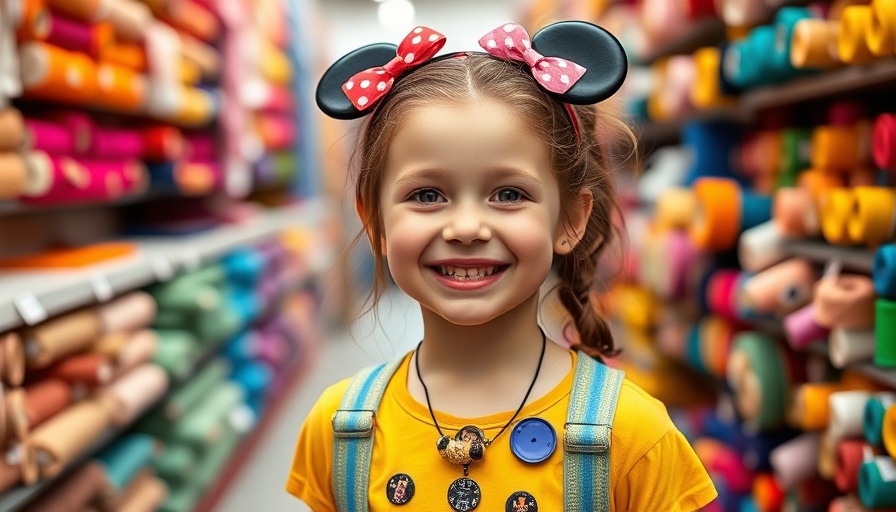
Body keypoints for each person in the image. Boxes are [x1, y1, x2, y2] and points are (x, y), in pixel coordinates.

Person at [287, 20, 717, 512]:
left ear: (570, 219)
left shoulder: (635, 437)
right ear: (375, 222)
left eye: (509, 194)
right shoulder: (341, 430)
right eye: (427, 195)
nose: (467, 227)